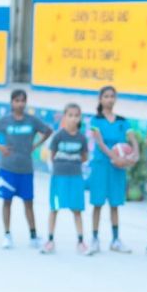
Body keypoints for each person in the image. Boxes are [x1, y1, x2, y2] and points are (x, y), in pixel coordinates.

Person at [0, 89, 52, 249]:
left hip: (26, 169)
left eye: (23, 100)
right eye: (17, 100)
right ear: (11, 103)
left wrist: (35, 145)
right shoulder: (5, 121)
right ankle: (7, 235)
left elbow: (48, 131)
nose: (20, 103)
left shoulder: (32, 121)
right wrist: (0, 147)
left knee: (28, 203)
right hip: (7, 168)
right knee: (6, 202)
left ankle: (33, 236)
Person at [87, 85, 138, 254]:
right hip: (102, 165)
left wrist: (134, 154)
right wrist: (114, 157)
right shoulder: (96, 121)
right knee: (97, 204)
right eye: (106, 96)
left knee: (115, 204)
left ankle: (115, 240)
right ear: (100, 99)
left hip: (118, 168)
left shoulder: (123, 121)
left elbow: (132, 139)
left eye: (112, 96)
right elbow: (100, 143)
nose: (109, 99)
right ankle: (94, 239)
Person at [42, 103, 90, 255]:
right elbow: (52, 155)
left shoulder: (82, 138)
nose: (73, 118)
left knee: (77, 210)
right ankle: (50, 240)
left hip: (75, 177)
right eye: (70, 115)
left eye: (77, 115)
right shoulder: (58, 136)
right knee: (54, 208)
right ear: (64, 117)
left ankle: (81, 242)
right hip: (59, 177)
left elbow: (84, 157)